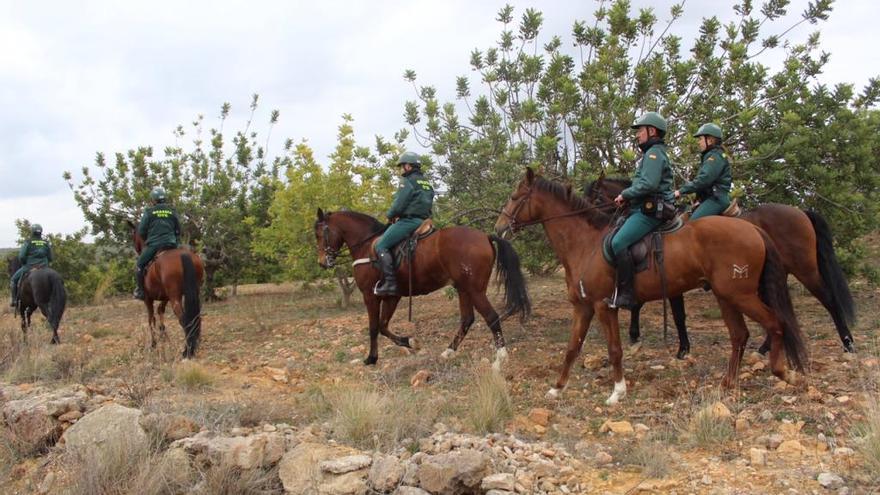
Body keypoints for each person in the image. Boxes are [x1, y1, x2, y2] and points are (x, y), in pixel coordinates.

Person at [607, 111, 675, 309]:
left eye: (640, 131)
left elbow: (649, 184)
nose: (637, 135)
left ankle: (627, 295)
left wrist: (625, 194)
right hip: (644, 207)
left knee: (618, 242)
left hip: (651, 211)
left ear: (651, 131)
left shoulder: (654, 154)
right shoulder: (652, 153)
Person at [373, 151, 435, 296]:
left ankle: (390, 283)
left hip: (409, 221)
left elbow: (399, 204)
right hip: (424, 221)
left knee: (380, 245)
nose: (402, 169)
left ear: (408, 166)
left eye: (403, 166)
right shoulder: (426, 183)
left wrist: (390, 216)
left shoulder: (407, 182)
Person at [673, 123, 732, 220]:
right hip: (709, 198)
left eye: (700, 139)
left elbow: (704, 180)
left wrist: (680, 191)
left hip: (716, 199)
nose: (698, 142)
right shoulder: (711, 155)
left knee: (692, 226)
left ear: (710, 140)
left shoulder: (715, 157)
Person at [134, 186, 181, 300]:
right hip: (171, 244)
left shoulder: (149, 212)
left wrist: (148, 239)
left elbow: (141, 231)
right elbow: (178, 229)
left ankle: (140, 291)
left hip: (155, 245)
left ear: (153, 200)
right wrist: (175, 241)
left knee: (139, 265)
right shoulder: (172, 211)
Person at [10, 224, 53, 307]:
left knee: (13, 280)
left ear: (32, 232)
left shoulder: (28, 242)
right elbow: (51, 257)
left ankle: (14, 300)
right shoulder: (46, 242)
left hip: (29, 266)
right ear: (41, 232)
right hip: (44, 267)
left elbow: (21, 256)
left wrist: (24, 263)